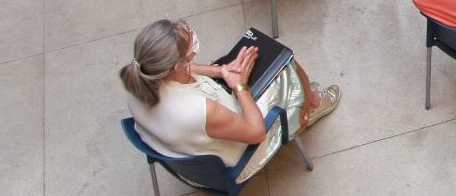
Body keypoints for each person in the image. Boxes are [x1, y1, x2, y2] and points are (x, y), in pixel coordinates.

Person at [120, 19, 338, 184]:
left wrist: (220, 71)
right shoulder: (199, 110)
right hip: (237, 159)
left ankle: (307, 100)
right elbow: (256, 133)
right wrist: (239, 85)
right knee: (286, 68)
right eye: (188, 51)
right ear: (176, 66)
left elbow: (186, 70)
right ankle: (312, 104)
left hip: (181, 152)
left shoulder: (140, 79)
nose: (193, 46)